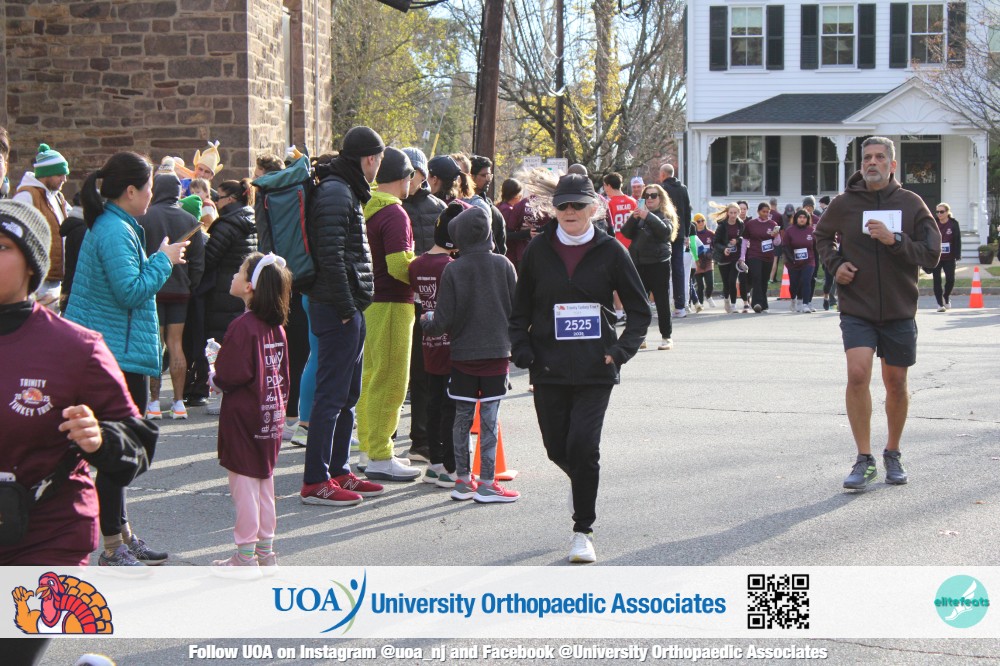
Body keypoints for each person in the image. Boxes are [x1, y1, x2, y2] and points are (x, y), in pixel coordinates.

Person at [0, 199, 158, 666]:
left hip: (45, 535)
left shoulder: (74, 347)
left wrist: (101, 440)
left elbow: (138, 442)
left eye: (2, 246)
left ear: (31, 264)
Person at [509, 174, 651, 563]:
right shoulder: (538, 250)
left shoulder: (611, 251)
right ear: (553, 209)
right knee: (557, 448)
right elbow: (520, 309)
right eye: (563, 205)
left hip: (595, 367)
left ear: (593, 207)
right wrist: (522, 348)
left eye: (577, 205)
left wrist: (620, 351)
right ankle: (583, 482)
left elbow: (640, 311)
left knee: (584, 446)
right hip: (548, 366)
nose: (570, 212)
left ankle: (582, 531)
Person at [64, 151, 188, 566]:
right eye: (149, 186)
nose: (152, 193)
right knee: (117, 454)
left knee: (119, 451)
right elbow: (130, 291)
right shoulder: (115, 229)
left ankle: (122, 535)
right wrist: (164, 261)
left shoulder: (115, 224)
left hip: (116, 352)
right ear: (131, 190)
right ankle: (113, 547)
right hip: (114, 356)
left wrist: (159, 257)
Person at [815, 136, 941, 490]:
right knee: (857, 374)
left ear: (892, 164)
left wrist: (894, 240)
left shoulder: (911, 203)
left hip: (900, 308)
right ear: (861, 164)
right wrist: (835, 264)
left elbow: (932, 255)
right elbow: (822, 236)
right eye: (867, 157)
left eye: (880, 157)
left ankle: (893, 452)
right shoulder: (844, 203)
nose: (872, 162)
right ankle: (864, 458)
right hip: (857, 306)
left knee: (896, 383)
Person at [300, 126, 385, 506]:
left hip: (346, 306)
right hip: (337, 307)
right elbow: (330, 257)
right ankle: (315, 480)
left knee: (347, 395)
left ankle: (338, 471)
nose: (378, 166)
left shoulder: (344, 188)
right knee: (330, 397)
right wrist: (347, 308)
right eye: (378, 159)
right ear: (369, 159)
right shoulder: (337, 191)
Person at [421, 205, 519, 503]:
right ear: (489, 233)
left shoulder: (454, 268)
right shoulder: (504, 265)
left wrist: (426, 321)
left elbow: (442, 320)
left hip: (462, 355)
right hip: (497, 353)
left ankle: (463, 481)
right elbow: (518, 310)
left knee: (461, 418)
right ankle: (488, 483)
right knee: (489, 418)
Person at [211, 252, 291, 572]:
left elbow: (230, 374)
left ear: (249, 287)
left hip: (244, 418)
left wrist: (213, 376)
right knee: (264, 483)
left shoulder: (243, 326)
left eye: (239, 271)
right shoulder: (276, 328)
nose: (234, 275)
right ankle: (266, 552)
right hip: (270, 414)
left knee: (243, 486)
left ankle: (245, 557)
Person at [356, 148, 421, 482]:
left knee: (371, 377)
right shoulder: (395, 213)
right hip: (393, 303)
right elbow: (398, 265)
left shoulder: (367, 206)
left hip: (370, 301)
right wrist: (428, 270)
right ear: (404, 178)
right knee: (392, 380)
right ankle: (381, 455)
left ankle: (369, 449)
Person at [138, 172, 206, 420]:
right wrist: (189, 284)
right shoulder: (190, 219)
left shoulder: (143, 217)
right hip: (180, 290)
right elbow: (198, 262)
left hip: (151, 289)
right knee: (176, 344)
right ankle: (178, 403)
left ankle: (154, 403)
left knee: (155, 345)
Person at [409, 203, 462, 489]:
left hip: (427, 341)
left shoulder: (416, 265)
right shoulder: (452, 268)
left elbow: (420, 302)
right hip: (451, 344)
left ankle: (435, 463)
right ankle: (450, 467)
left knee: (432, 402)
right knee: (451, 406)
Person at [401, 147, 446, 462]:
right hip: (399, 297)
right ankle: (385, 438)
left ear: (423, 174)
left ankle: (422, 440)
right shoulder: (392, 206)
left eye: (414, 172)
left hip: (430, 299)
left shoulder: (439, 207)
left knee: (425, 371)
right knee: (394, 371)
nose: (409, 178)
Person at [12, 143, 72, 311]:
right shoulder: (27, 196)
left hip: (55, 279)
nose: (64, 179)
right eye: (60, 174)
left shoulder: (58, 198)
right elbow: (16, 237)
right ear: (47, 174)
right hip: (37, 281)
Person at [621, 182, 676, 350]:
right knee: (639, 302)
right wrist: (634, 217)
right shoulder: (639, 215)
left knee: (661, 302)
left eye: (653, 195)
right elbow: (626, 233)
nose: (650, 199)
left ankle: (666, 337)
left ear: (660, 198)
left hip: (658, 263)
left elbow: (665, 232)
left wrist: (648, 216)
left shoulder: (665, 214)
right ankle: (640, 336)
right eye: (646, 196)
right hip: (639, 263)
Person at [659, 164, 692, 318]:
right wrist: (687, 234)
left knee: (662, 268)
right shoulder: (683, 189)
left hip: (664, 233)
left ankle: (663, 306)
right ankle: (680, 306)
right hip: (679, 233)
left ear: (663, 174)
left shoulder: (661, 189)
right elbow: (687, 212)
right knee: (678, 269)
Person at [741, 202, 781, 313]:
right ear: (758, 211)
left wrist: (776, 235)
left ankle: (764, 304)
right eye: (763, 211)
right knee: (756, 277)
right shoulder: (751, 224)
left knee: (764, 279)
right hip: (754, 254)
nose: (766, 214)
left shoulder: (773, 224)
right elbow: (745, 240)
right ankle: (756, 303)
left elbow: (777, 243)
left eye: (768, 212)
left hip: (768, 256)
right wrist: (742, 256)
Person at [781, 209, 818, 313]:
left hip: (808, 261)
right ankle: (794, 300)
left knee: (806, 281)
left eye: (804, 217)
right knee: (794, 284)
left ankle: (805, 304)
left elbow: (815, 247)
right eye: (800, 217)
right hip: (793, 262)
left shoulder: (811, 230)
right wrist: (791, 259)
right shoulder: (790, 230)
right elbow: (785, 246)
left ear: (807, 219)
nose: (802, 219)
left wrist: (816, 262)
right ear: (796, 218)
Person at [711, 202, 744, 313]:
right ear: (727, 213)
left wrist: (737, 240)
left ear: (738, 212)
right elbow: (715, 242)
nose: (733, 215)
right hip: (724, 257)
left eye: (735, 213)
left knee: (732, 281)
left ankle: (733, 305)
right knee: (726, 283)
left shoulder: (740, 224)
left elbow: (743, 237)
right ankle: (726, 300)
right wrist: (724, 249)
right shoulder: (722, 226)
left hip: (735, 257)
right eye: (731, 213)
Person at [930, 203, 961, 312]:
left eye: (941, 212)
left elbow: (958, 240)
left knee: (950, 279)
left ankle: (946, 296)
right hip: (936, 257)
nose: (939, 214)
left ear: (947, 212)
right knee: (937, 280)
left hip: (949, 257)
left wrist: (957, 254)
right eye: (937, 212)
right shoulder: (934, 223)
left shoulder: (953, 224)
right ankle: (940, 304)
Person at [692, 213, 716, 309]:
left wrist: (712, 252)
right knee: (700, 285)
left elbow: (715, 246)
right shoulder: (693, 235)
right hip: (697, 261)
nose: (701, 223)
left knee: (710, 283)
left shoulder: (710, 234)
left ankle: (708, 296)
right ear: (695, 223)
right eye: (698, 221)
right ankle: (700, 303)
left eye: (702, 220)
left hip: (708, 261)